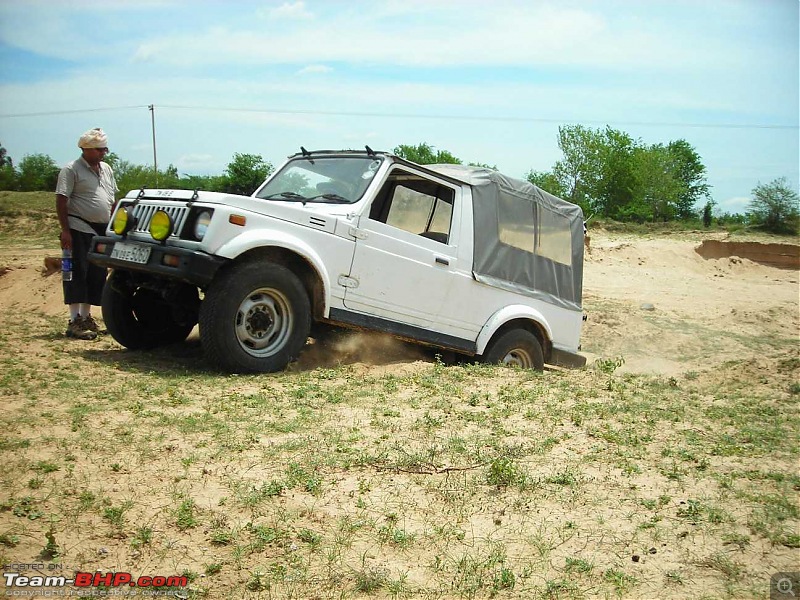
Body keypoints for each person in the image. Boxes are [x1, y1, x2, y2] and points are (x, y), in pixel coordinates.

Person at [55, 128, 118, 340]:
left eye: (105, 149)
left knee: (95, 273)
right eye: (99, 149)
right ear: (86, 149)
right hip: (78, 227)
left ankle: (87, 316)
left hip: (101, 229)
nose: (103, 152)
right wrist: (65, 230)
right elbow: (62, 199)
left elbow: (111, 198)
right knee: (75, 271)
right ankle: (74, 321)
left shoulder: (107, 169)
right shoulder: (70, 170)